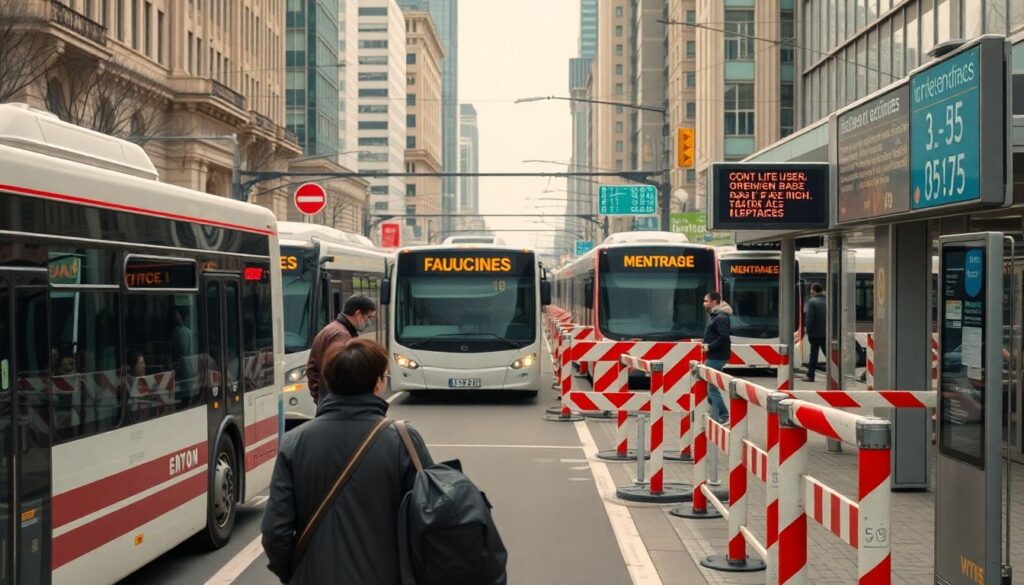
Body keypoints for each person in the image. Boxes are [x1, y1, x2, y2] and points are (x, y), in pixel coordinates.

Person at [262, 339, 432, 584]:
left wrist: (295, 572)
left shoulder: (294, 443)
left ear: (328, 383)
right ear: (378, 384)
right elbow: (428, 518)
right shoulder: (403, 440)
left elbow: (274, 532)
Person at [305, 294, 377, 405]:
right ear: (358, 314)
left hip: (328, 400)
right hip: (337, 402)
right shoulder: (341, 336)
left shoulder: (332, 328)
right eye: (369, 317)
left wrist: (319, 398)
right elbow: (343, 373)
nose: (369, 323)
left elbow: (312, 369)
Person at [702, 291, 732, 424]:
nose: (704, 303)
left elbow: (724, 337)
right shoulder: (716, 315)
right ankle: (716, 412)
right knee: (708, 385)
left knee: (711, 387)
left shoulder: (720, 317)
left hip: (717, 356)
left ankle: (724, 414)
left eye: (706, 301)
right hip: (715, 355)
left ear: (714, 302)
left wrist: (710, 346)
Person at [803, 283, 827, 382]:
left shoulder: (812, 302)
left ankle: (810, 375)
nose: (810, 291)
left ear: (813, 290)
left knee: (813, 355)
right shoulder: (828, 301)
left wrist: (807, 329)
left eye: (811, 290)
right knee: (829, 354)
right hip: (827, 333)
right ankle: (836, 375)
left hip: (814, 334)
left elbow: (809, 319)